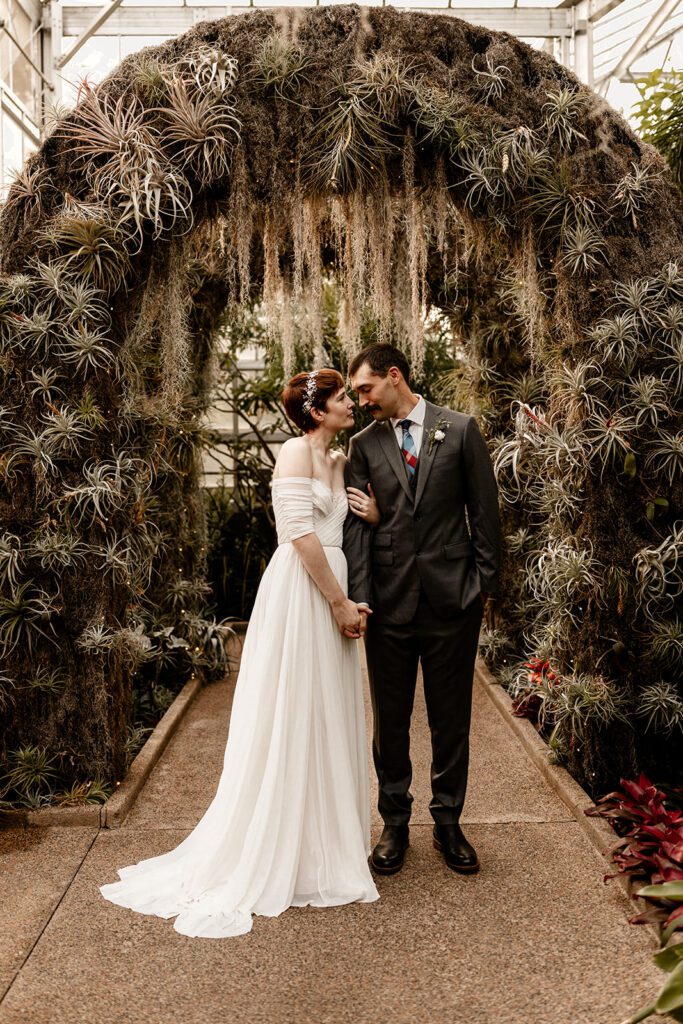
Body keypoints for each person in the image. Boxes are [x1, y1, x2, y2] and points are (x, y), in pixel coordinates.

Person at [99, 368, 381, 937]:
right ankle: (282, 844)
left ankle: (324, 840)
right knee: (294, 707)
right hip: (306, 593)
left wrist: (370, 520)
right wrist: (338, 604)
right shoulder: (295, 456)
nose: (352, 403)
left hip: (334, 588)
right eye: (341, 397)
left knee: (326, 711)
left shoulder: (341, 458)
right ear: (316, 410)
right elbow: (299, 535)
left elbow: (346, 527)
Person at [343, 343, 501, 876]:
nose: (361, 400)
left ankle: (449, 822)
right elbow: (356, 529)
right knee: (390, 722)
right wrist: (361, 596)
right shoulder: (362, 445)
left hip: (452, 599)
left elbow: (484, 513)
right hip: (388, 603)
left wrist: (483, 586)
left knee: (450, 719)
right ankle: (394, 823)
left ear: (394, 376)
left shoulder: (459, 429)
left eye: (365, 389)